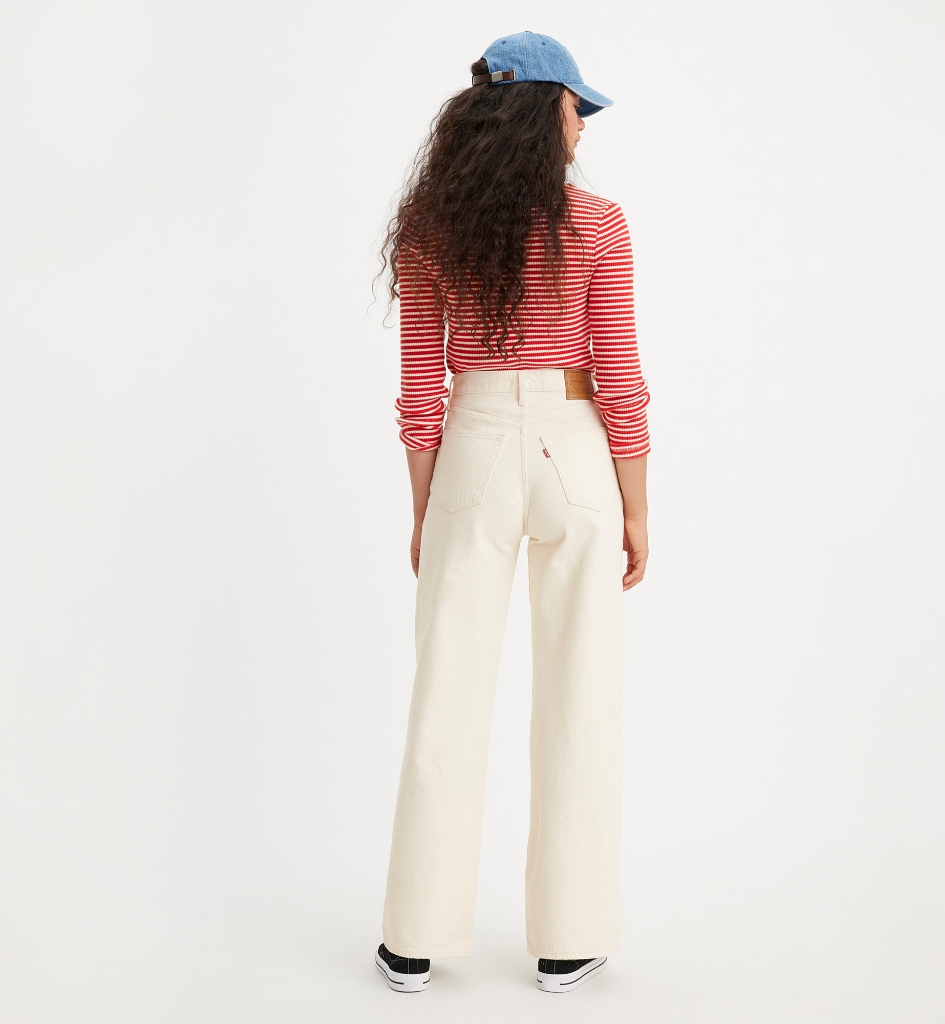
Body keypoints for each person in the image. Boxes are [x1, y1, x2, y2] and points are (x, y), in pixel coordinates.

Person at [373, 30, 652, 994]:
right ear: (541, 112)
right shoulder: (599, 224)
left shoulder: (430, 230)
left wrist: (427, 510)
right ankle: (569, 938)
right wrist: (637, 507)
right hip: (575, 449)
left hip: (473, 444)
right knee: (581, 691)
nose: (584, 125)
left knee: (446, 687)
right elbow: (620, 377)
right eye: (576, 106)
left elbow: (420, 391)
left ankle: (412, 937)